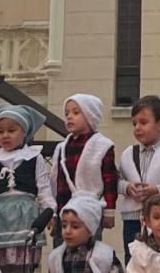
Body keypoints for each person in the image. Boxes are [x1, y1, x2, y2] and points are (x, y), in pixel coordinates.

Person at [0, 104, 54, 273]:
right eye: (0, 131)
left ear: (24, 133)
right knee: (0, 267)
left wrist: (50, 213)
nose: (5, 135)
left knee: (24, 266)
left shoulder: (34, 156)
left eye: (11, 130)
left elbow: (43, 188)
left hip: (26, 217)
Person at [117, 96, 160, 262]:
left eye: (143, 122)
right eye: (134, 123)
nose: (137, 128)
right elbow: (117, 180)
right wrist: (127, 187)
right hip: (133, 219)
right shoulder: (127, 153)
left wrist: (157, 190)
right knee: (133, 258)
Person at [32, 194, 125, 273]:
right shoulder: (57, 256)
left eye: (75, 227)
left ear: (90, 229)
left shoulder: (105, 255)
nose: (67, 231)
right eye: (64, 226)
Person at [50, 94, 117, 241]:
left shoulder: (102, 145)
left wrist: (109, 211)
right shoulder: (61, 148)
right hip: (64, 211)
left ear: (90, 115)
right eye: (67, 113)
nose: (69, 117)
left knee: (89, 252)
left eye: (75, 112)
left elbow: (110, 179)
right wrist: (53, 213)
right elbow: (55, 182)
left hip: (90, 210)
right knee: (61, 253)